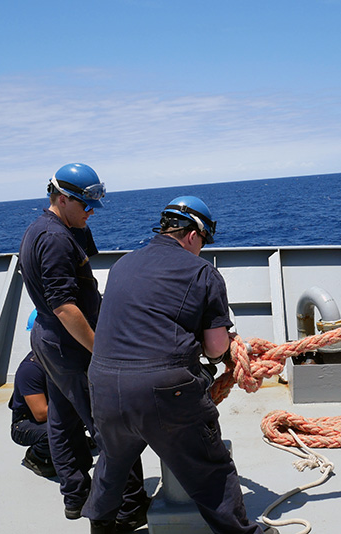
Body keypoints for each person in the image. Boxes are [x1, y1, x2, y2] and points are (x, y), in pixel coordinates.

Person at [82, 196, 271, 534]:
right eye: (204, 241)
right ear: (194, 235)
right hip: (163, 390)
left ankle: (102, 527)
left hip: (103, 383)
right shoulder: (203, 272)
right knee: (210, 468)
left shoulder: (123, 264)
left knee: (112, 461)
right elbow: (215, 349)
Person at [18, 163, 148, 525]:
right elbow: (63, 307)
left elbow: (82, 273)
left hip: (50, 341)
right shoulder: (56, 239)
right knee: (111, 424)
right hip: (69, 342)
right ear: (62, 198)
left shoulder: (54, 229)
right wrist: (100, 350)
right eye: (85, 205)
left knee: (63, 419)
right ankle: (128, 506)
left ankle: (75, 497)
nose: (91, 212)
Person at [9, 351, 55, 478]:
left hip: (56, 412)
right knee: (52, 432)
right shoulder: (30, 369)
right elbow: (41, 414)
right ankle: (36, 457)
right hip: (26, 423)